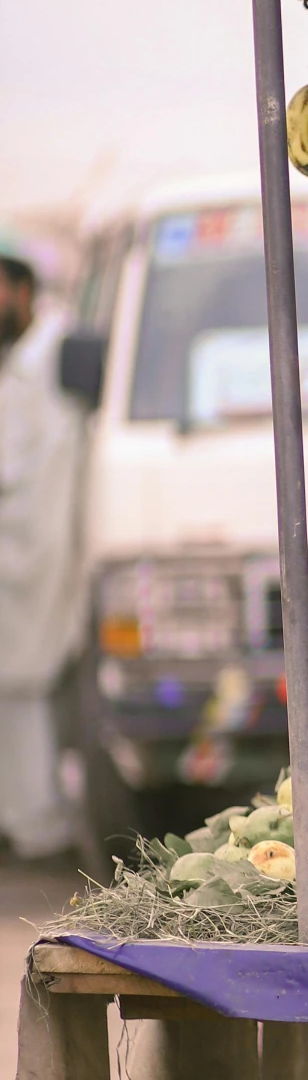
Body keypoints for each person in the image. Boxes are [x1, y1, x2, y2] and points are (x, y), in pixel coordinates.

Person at [0, 252, 87, 860]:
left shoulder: (54, 355)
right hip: (23, 555)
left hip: (43, 551)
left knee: (29, 686)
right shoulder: (21, 366)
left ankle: (38, 825)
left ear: (24, 290)